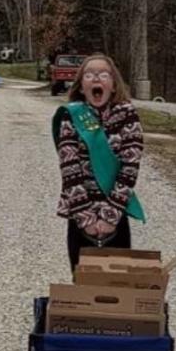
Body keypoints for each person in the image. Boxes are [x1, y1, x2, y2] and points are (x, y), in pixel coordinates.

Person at [52, 53, 145, 273]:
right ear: (81, 86)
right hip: (80, 214)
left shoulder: (128, 115)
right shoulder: (71, 115)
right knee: (83, 286)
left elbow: (130, 167)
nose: (96, 79)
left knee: (119, 284)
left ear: (113, 85)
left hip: (115, 212)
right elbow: (69, 167)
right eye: (89, 75)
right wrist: (86, 218)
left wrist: (110, 216)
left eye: (103, 74)